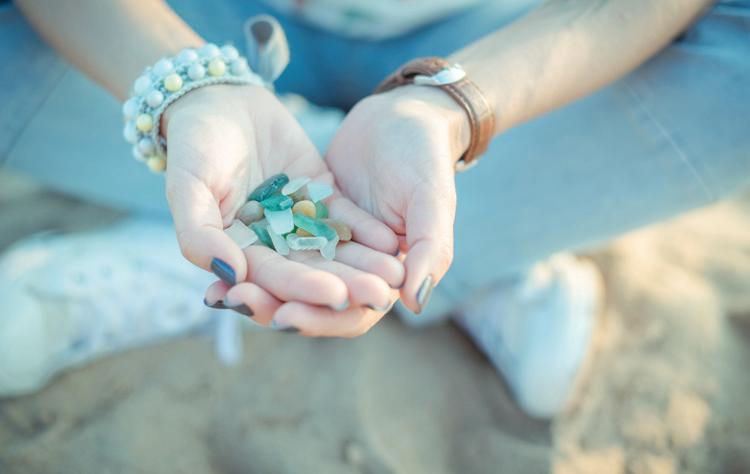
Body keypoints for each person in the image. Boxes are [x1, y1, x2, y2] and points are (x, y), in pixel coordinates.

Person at [0, 0, 747, 418]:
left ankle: (196, 235)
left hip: (513, 35)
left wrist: (449, 107)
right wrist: (191, 87)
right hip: (179, 17)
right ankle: (471, 231)